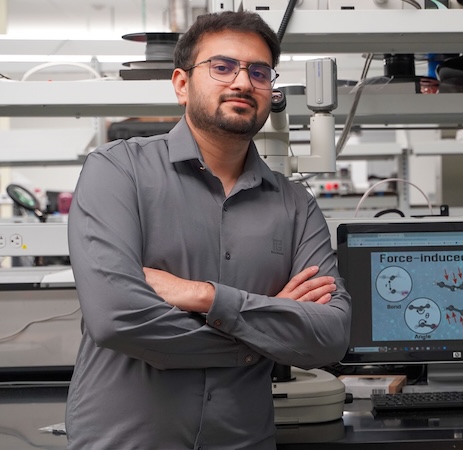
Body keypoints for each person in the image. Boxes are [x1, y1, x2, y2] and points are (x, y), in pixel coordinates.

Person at [65, 11, 351, 449]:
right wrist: (264, 337)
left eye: (258, 72)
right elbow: (117, 319)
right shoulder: (118, 170)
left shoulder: (295, 204)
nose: (241, 82)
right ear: (182, 84)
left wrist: (205, 297)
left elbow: (330, 336)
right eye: (222, 67)